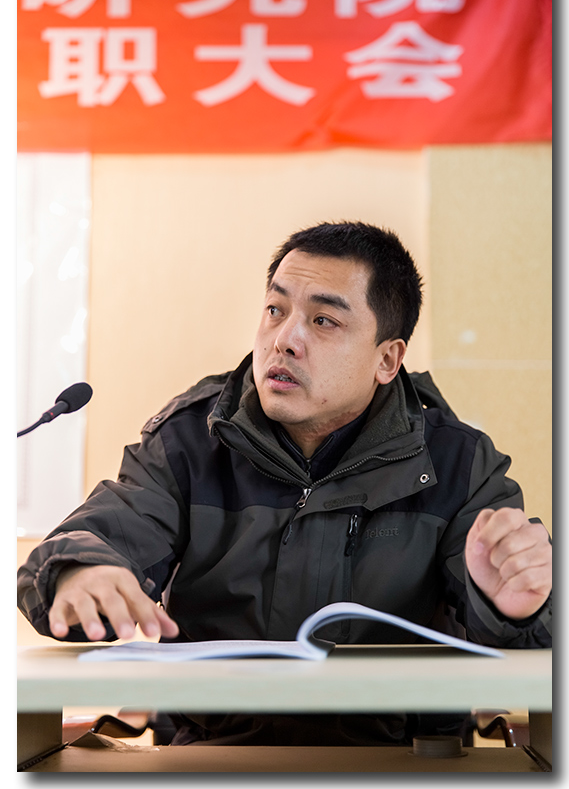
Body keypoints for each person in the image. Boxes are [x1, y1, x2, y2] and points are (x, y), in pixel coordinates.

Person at [18, 221, 552, 746]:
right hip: (212, 763)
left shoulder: (457, 465)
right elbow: (105, 531)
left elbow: (530, 631)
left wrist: (518, 608)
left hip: (401, 766)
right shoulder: (191, 441)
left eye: (323, 321)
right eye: (276, 310)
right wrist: (78, 572)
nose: (284, 340)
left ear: (387, 359)